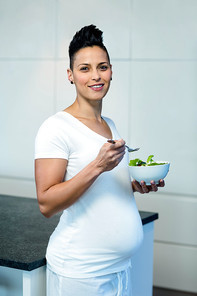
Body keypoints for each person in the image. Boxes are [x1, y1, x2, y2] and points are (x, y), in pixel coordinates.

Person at [35, 25, 164, 296]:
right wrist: (97, 165)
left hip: (119, 269)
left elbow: (102, 187)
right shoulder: (56, 127)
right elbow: (46, 203)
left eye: (102, 67)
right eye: (84, 68)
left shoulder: (110, 124)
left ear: (111, 71)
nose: (95, 75)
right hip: (80, 273)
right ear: (70, 75)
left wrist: (134, 185)